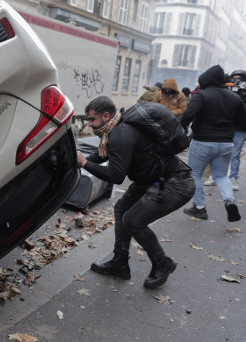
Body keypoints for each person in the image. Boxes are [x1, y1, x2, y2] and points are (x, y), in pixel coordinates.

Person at [78, 96, 195, 289]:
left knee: (133, 221)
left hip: (175, 183)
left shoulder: (120, 134)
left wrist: (83, 163)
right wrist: (78, 161)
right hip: (152, 179)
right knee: (121, 209)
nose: (90, 125)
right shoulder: (116, 129)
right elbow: (103, 155)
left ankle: (162, 263)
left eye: (92, 120)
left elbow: (116, 175)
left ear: (106, 116)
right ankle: (119, 262)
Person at [181, 65, 246, 222]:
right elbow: (242, 122)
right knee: (220, 176)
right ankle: (229, 200)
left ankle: (199, 208)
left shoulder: (202, 96)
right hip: (226, 144)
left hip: (203, 141)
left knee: (195, 174)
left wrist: (183, 128)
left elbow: (187, 116)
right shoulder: (235, 98)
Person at [228, 70, 246, 191]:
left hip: (241, 128)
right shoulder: (229, 91)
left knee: (235, 154)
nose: (236, 81)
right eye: (234, 78)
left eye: (238, 78)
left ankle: (233, 177)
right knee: (222, 152)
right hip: (229, 126)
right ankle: (217, 176)